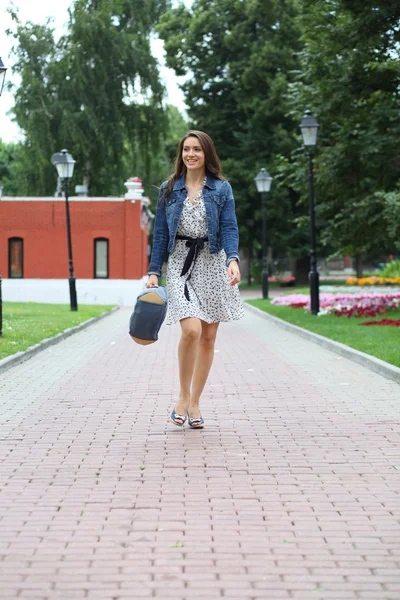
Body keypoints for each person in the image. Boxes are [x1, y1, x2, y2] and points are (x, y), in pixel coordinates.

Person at [146, 130, 244, 429]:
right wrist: (153, 270)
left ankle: (195, 403)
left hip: (212, 263)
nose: (191, 154)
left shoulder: (221, 189)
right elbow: (161, 234)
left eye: (197, 150)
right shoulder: (169, 189)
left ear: (206, 154)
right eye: (186, 149)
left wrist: (233, 259)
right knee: (190, 330)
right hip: (180, 265)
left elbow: (229, 228)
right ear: (181, 154)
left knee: (209, 337)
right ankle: (182, 397)